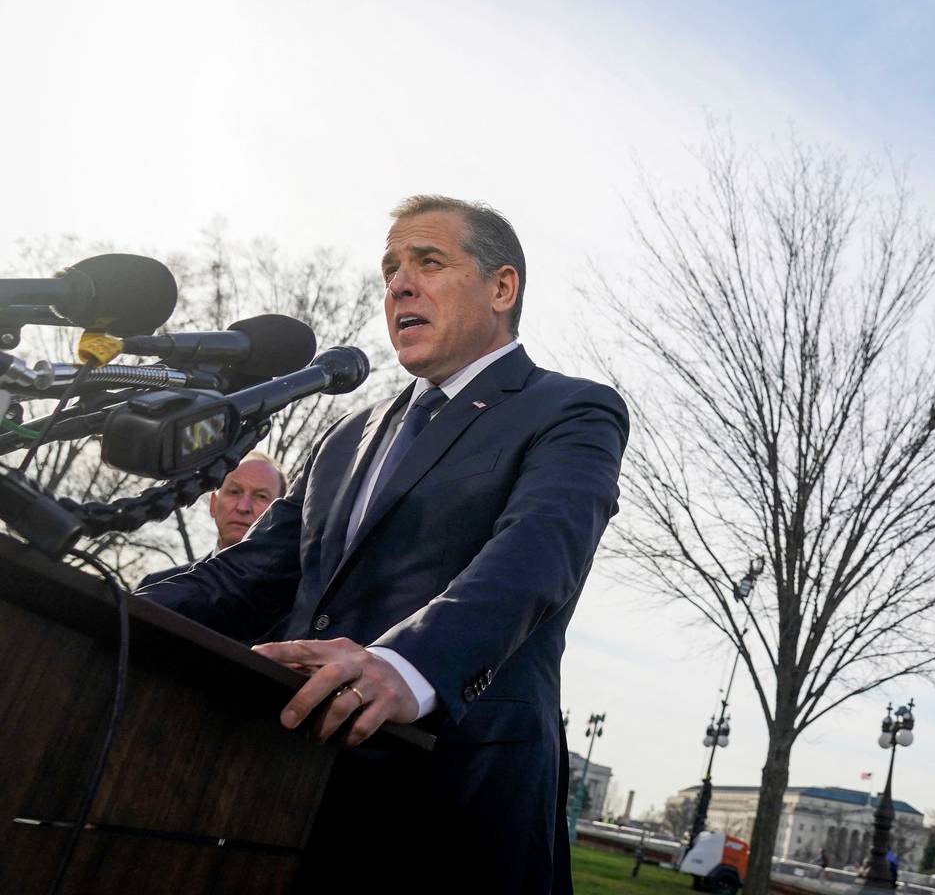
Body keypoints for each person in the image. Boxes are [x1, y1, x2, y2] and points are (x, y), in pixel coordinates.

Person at [138, 195, 628, 893]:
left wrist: (410, 663)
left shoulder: (572, 409)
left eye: (428, 262)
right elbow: (250, 576)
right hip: (293, 797)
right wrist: (114, 603)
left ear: (501, 287)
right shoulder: (348, 436)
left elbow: (538, 551)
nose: (399, 284)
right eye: (391, 268)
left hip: (455, 804)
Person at [135, 450, 285, 590]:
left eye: (261, 496)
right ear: (213, 504)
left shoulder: (297, 605)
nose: (243, 507)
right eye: (234, 492)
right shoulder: (157, 588)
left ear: (281, 514)